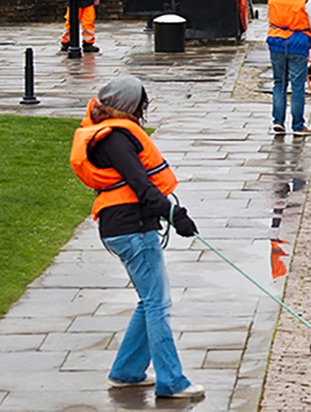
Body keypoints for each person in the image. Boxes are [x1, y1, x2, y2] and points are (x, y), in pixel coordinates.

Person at [69, 76, 204, 399]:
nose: (144, 110)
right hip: (131, 228)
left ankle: (126, 372)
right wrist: (175, 216)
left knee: (149, 301)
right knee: (158, 303)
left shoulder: (110, 134)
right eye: (142, 104)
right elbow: (142, 186)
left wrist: (169, 213)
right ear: (130, 106)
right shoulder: (116, 138)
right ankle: (172, 382)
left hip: (122, 225)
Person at [267, 0, 311, 136]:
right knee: (298, 86)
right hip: (298, 45)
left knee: (279, 83)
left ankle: (278, 122)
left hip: (276, 42)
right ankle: (298, 126)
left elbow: (270, 19)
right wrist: (310, 43)